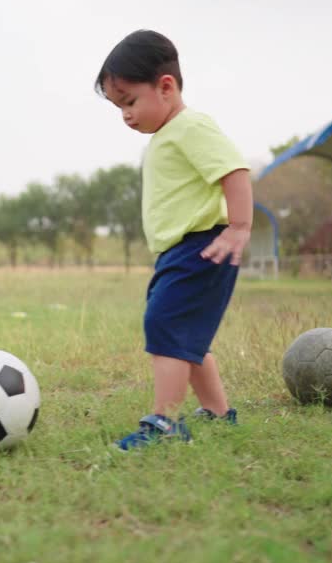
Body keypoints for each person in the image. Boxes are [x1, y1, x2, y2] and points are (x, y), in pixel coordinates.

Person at [95, 30, 252, 450]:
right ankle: (219, 413)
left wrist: (239, 227)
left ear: (166, 86)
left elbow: (234, 171)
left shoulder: (191, 126)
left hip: (203, 245)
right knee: (187, 336)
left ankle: (164, 421)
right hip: (179, 251)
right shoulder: (168, 135)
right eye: (118, 106)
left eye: (129, 101)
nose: (125, 114)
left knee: (164, 324)